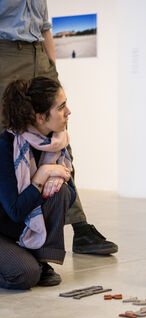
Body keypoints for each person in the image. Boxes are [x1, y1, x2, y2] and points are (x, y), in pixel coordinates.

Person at [0, 0, 118, 255]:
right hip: (5, 55)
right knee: (9, 145)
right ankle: (16, 236)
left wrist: (52, 68)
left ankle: (79, 226)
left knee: (59, 140)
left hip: (38, 55)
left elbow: (44, 27)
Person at [0, 77, 76, 289]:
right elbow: (14, 211)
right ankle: (29, 261)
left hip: (18, 231)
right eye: (61, 107)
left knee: (60, 191)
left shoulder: (58, 142)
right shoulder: (6, 146)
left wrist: (56, 179)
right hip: (4, 227)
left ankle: (42, 260)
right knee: (24, 275)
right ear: (40, 117)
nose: (68, 111)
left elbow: (70, 195)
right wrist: (42, 176)